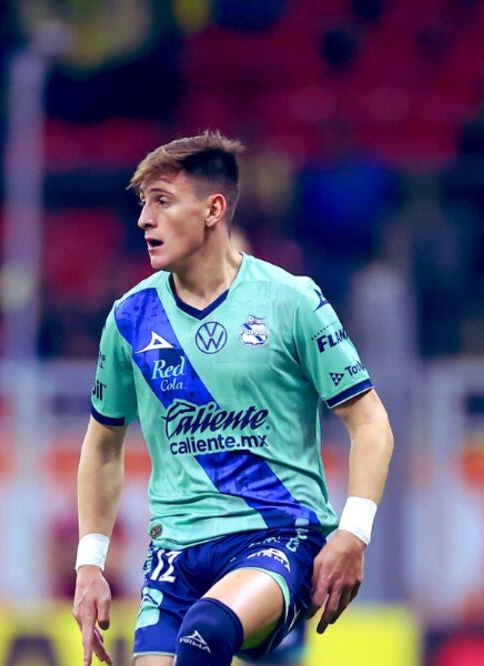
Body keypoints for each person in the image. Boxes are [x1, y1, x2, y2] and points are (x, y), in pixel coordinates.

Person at [70, 131, 395, 666]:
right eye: (142, 204)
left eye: (162, 202)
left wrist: (353, 533)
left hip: (275, 536)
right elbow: (102, 446)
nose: (143, 220)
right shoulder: (129, 319)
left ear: (213, 210)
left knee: (206, 631)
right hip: (174, 553)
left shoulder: (292, 301)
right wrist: (90, 565)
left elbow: (371, 423)